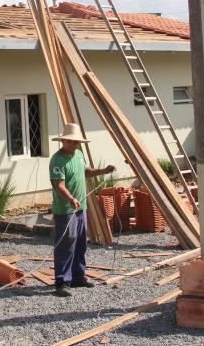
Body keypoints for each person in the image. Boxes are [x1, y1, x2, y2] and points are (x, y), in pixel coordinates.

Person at [49, 123, 115, 297]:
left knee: (80, 241)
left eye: (75, 142)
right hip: (65, 209)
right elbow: (59, 184)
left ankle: (78, 276)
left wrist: (104, 170)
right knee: (65, 244)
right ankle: (62, 281)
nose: (73, 144)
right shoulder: (57, 160)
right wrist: (71, 198)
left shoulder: (79, 155)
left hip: (81, 207)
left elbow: (85, 172)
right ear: (63, 141)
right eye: (69, 141)